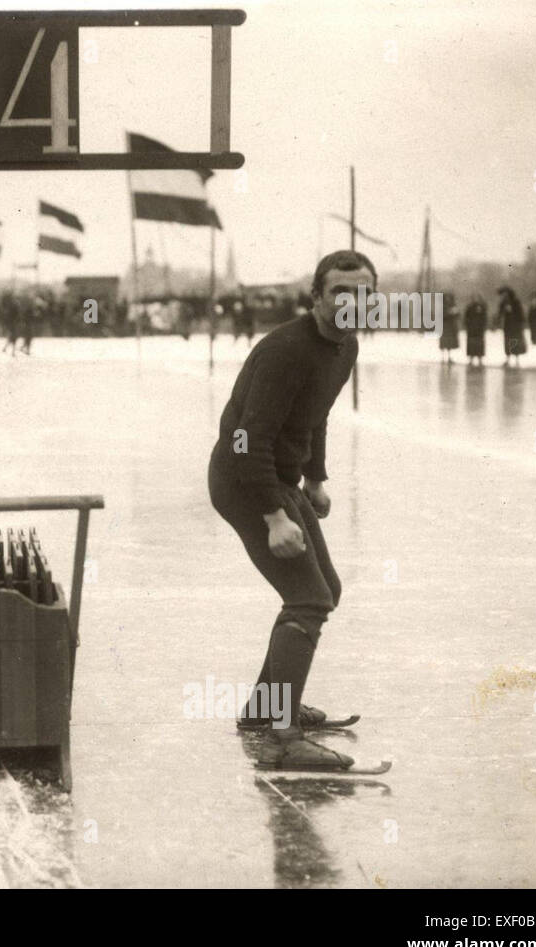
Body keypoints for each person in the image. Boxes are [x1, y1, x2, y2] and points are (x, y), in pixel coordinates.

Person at [208, 249, 370, 771]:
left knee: (326, 589)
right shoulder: (285, 351)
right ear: (317, 297)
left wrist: (314, 478)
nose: (353, 301)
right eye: (341, 291)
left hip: (279, 477)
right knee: (308, 597)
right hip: (244, 480)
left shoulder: (345, 348)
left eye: (364, 291)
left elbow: (314, 416)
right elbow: (243, 440)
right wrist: (274, 515)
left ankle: (265, 706)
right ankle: (282, 739)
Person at [497, 286, 526, 367]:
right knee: (507, 342)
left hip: (516, 325)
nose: (504, 296)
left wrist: (512, 310)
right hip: (508, 325)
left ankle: (517, 360)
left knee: (516, 341)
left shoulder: (516, 302)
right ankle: (508, 359)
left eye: (505, 294)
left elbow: (521, 314)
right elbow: (500, 313)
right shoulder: (503, 303)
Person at [464, 293, 487, 366]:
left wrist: (483, 326)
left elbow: (484, 317)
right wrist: (467, 325)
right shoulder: (469, 307)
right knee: (471, 344)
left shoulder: (482, 307)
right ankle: (471, 358)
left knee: (479, 344)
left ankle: (480, 359)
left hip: (479, 329)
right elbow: (466, 317)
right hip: (471, 329)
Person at [439, 292, 460, 362]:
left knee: (449, 343)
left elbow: (458, 315)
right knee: (443, 343)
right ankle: (442, 357)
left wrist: (455, 312)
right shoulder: (442, 306)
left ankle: (449, 357)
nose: (448, 299)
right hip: (444, 327)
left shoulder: (453, 305)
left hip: (451, 327)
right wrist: (449, 313)